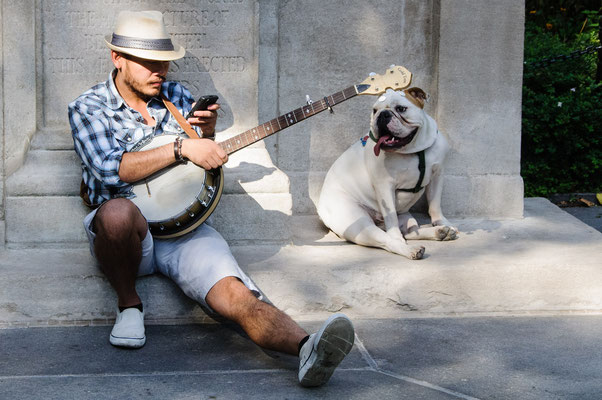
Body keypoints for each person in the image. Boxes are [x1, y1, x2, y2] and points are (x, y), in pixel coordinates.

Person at [68, 10, 354, 387]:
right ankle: (129, 304)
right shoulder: (88, 107)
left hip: (185, 233)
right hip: (127, 236)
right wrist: (183, 146)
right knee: (117, 213)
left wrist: (207, 135)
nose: (161, 71)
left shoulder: (175, 96)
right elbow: (109, 169)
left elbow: (197, 165)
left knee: (239, 297)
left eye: (165, 63)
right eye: (149, 63)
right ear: (117, 59)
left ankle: (307, 349)